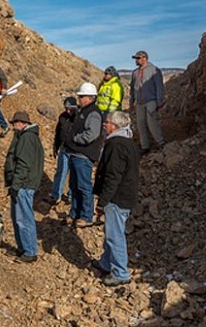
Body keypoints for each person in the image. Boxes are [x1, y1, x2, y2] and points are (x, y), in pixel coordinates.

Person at [92, 111, 139, 286]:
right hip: (126, 195)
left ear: (116, 126)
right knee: (111, 231)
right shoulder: (128, 142)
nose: (105, 125)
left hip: (118, 197)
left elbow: (113, 176)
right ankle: (106, 262)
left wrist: (102, 201)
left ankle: (121, 272)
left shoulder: (115, 145)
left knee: (114, 234)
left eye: (108, 122)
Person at [4, 111, 44, 263]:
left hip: (24, 185)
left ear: (21, 123)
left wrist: (15, 184)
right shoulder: (29, 137)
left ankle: (29, 251)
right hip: (24, 184)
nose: (13, 128)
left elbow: (23, 164)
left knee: (24, 219)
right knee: (18, 217)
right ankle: (23, 248)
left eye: (14, 124)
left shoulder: (27, 138)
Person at [64, 82, 103, 228]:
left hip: (84, 155)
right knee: (74, 185)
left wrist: (75, 139)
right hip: (76, 154)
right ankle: (74, 213)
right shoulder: (83, 111)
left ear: (89, 97)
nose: (79, 99)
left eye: (81, 96)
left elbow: (91, 134)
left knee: (84, 186)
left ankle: (86, 216)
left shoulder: (93, 113)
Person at [129, 50, 166, 155]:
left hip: (151, 101)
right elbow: (132, 88)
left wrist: (159, 101)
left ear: (144, 58)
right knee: (140, 124)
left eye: (137, 58)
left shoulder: (154, 70)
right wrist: (131, 101)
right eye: (135, 58)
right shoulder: (135, 73)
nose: (136, 60)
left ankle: (161, 143)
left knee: (152, 122)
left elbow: (159, 87)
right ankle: (145, 146)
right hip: (139, 103)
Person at [47, 96, 77, 205]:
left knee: (74, 175)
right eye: (66, 108)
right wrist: (56, 146)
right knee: (60, 172)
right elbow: (58, 132)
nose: (68, 111)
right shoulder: (62, 117)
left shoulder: (79, 118)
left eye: (70, 108)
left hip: (75, 151)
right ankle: (56, 195)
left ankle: (71, 196)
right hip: (64, 149)